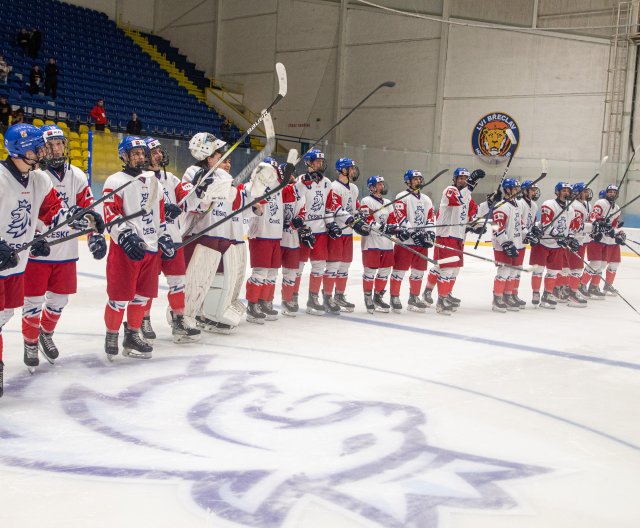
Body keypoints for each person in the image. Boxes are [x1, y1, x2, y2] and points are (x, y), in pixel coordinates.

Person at [21, 125, 106, 367]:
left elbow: (89, 210)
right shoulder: (35, 176)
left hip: (66, 252)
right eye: (49, 145)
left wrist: (95, 236)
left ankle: (45, 334)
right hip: (39, 250)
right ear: (41, 149)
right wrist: (34, 236)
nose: (56, 149)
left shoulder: (77, 175)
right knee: (33, 301)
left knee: (59, 301)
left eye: (59, 143)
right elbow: (25, 212)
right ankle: (29, 342)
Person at [0, 123, 70, 394]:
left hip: (16, 265)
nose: (42, 151)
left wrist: (87, 218)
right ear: (20, 150)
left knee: (5, 314)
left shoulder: (40, 179)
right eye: (36, 147)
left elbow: (53, 211)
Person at [101, 136, 177, 360]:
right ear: (124, 156)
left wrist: (164, 237)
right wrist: (124, 235)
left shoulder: (152, 180)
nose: (140, 157)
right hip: (127, 249)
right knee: (119, 296)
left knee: (141, 297)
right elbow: (110, 213)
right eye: (134, 154)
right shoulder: (115, 181)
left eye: (142, 153)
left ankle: (133, 334)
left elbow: (159, 214)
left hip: (151, 249)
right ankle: (112, 334)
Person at [181, 132, 246, 334]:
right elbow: (190, 203)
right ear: (208, 156)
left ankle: (207, 313)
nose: (223, 160)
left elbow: (233, 202)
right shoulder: (192, 172)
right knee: (196, 279)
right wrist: (203, 191)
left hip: (220, 233)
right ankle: (184, 317)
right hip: (200, 234)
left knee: (214, 278)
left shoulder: (223, 176)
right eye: (219, 156)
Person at [429, 167, 486, 314]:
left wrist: (490, 202)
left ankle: (445, 295)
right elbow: (458, 200)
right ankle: (441, 301)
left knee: (453, 269)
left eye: (466, 178)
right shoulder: (450, 190)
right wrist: (471, 183)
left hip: (458, 237)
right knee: (445, 269)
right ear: (454, 180)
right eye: (460, 178)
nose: (463, 180)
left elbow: (474, 212)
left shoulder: (467, 196)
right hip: (446, 235)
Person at [293, 149, 341, 315]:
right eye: (317, 161)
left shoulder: (327, 182)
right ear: (309, 163)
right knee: (297, 267)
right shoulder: (301, 181)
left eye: (321, 161)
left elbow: (328, 208)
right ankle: (292, 297)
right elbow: (296, 206)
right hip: (304, 231)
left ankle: (313, 299)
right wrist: (300, 229)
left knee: (319, 266)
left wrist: (331, 224)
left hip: (320, 232)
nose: (321, 164)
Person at [387, 170, 435, 313]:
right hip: (406, 242)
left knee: (419, 272)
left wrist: (430, 233)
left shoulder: (426, 199)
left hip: (421, 241)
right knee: (399, 271)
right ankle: (394, 297)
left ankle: (414, 297)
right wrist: (413, 233)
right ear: (408, 181)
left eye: (419, 179)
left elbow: (430, 218)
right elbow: (400, 217)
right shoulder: (401, 197)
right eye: (414, 179)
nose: (418, 181)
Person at [323, 157, 365, 312]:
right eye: (351, 168)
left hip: (348, 233)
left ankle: (339, 295)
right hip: (337, 232)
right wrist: (352, 220)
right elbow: (336, 209)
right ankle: (327, 297)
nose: (354, 171)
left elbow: (355, 208)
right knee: (333, 266)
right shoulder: (334, 187)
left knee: (345, 266)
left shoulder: (354, 188)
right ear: (343, 170)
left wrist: (362, 215)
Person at [528, 182, 578, 309]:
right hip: (543, 242)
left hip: (557, 245)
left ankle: (548, 294)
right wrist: (558, 236)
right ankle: (535, 293)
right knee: (538, 270)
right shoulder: (549, 204)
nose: (567, 193)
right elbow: (545, 223)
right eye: (564, 190)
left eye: (568, 190)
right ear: (558, 192)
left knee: (553, 272)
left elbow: (571, 227)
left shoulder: (571, 209)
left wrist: (570, 238)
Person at [582, 184, 625, 298]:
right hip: (595, 238)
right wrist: (601, 224)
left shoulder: (617, 208)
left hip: (605, 240)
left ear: (617, 194)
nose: (612, 194)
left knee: (602, 265)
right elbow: (593, 218)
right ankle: (581, 285)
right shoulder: (601, 203)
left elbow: (614, 226)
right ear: (606, 193)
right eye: (610, 191)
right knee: (595, 263)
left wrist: (617, 233)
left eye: (614, 192)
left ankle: (594, 286)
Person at [359, 176, 394, 313]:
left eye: (382, 183)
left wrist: (393, 228)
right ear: (372, 187)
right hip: (371, 242)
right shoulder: (366, 201)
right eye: (379, 184)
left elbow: (392, 220)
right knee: (370, 270)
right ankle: (368, 297)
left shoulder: (388, 202)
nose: (382, 186)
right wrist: (383, 227)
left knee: (385, 270)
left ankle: (378, 297)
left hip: (386, 243)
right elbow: (367, 221)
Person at [489, 178, 525, 312]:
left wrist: (527, 234)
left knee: (513, 271)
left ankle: (507, 296)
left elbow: (520, 223)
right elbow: (495, 227)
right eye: (515, 188)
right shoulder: (501, 206)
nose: (517, 191)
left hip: (514, 243)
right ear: (508, 190)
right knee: (504, 271)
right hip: (502, 245)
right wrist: (506, 244)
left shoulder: (516, 204)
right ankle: (497, 299)